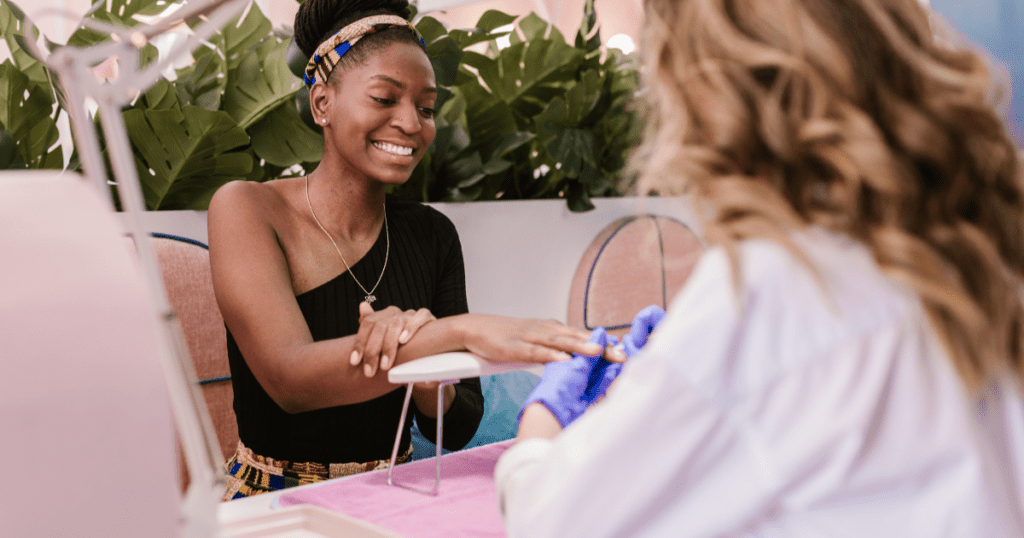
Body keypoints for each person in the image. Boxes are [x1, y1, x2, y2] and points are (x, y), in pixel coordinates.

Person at [497, 0, 1024, 535]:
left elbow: (554, 523)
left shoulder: (772, 290)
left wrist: (544, 419)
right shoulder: (983, 253)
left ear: (708, 90)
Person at [207, 0, 604, 500]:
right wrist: (457, 332)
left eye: (426, 107)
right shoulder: (246, 208)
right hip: (273, 505)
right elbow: (292, 381)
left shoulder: (431, 234)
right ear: (322, 103)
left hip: (393, 493)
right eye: (383, 98)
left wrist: (427, 384)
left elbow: (455, 428)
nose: (412, 124)